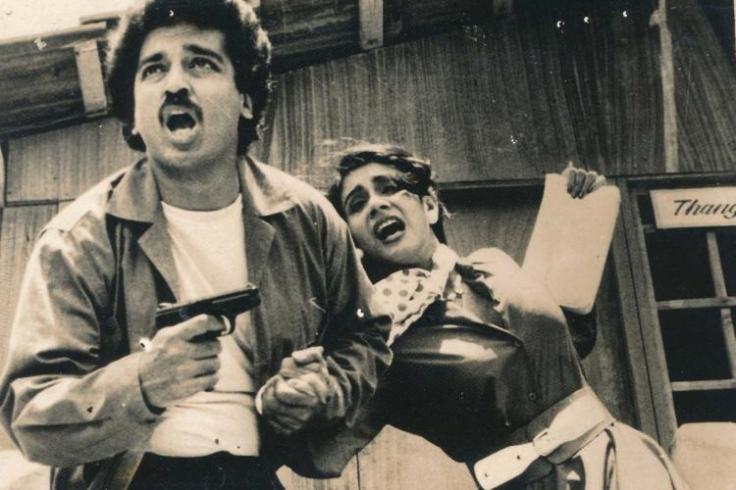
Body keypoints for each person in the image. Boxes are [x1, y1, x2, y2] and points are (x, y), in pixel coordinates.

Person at [0, 2, 391, 489]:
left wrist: (324, 388)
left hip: (253, 476)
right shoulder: (78, 239)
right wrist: (143, 382)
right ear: (134, 115)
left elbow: (367, 336)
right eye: (153, 69)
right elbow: (29, 414)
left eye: (201, 62)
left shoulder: (308, 219)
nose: (175, 83)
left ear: (245, 99)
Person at [298, 143, 687, 489]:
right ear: (354, 241)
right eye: (357, 204)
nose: (376, 204)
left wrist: (577, 219)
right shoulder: (377, 339)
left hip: (621, 463)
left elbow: (570, 342)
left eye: (389, 187)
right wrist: (293, 395)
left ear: (429, 206)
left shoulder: (492, 264)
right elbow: (321, 448)